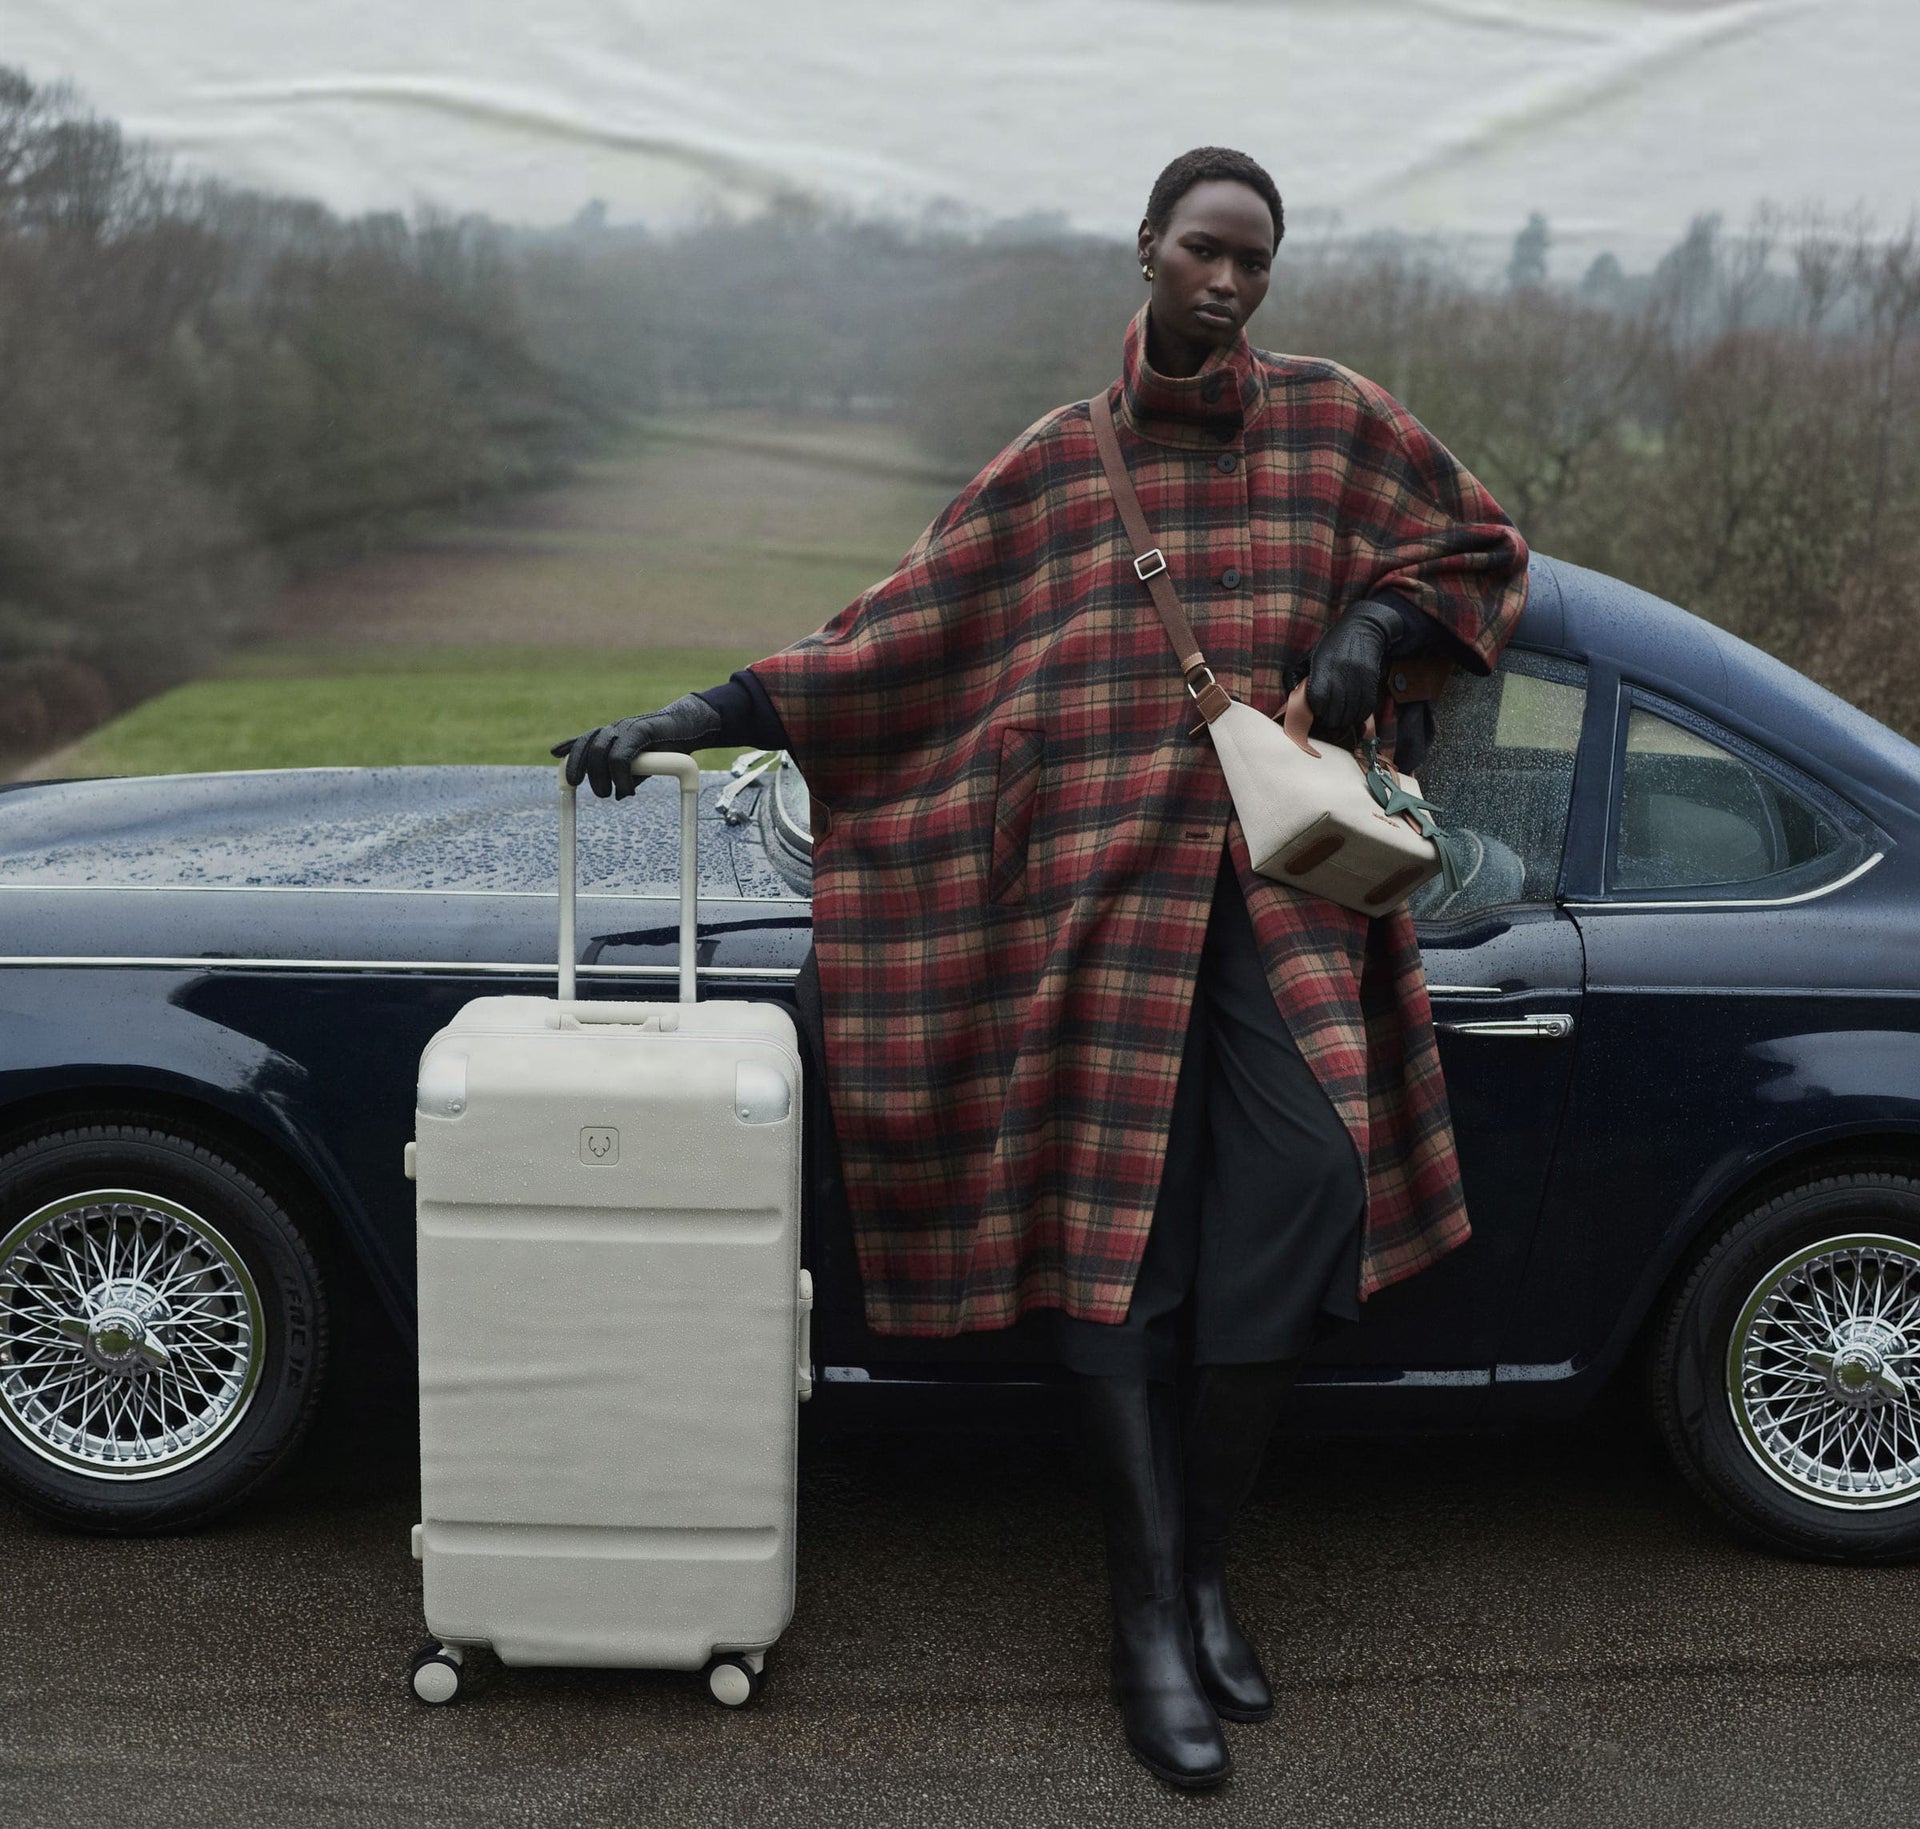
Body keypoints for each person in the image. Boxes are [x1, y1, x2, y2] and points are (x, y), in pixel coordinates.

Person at [554, 146, 1528, 1790]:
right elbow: (893, 638)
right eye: (1207, 251)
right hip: (1089, 920)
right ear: (1147, 249)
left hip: (1287, 903)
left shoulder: (1340, 422)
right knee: (1116, 1248)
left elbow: (1475, 550)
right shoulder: (1059, 467)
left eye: (1257, 263)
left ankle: (1205, 1562)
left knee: (1299, 1193)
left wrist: (1365, 638)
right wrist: (691, 719)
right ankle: (1147, 1610)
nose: (1230, 283)